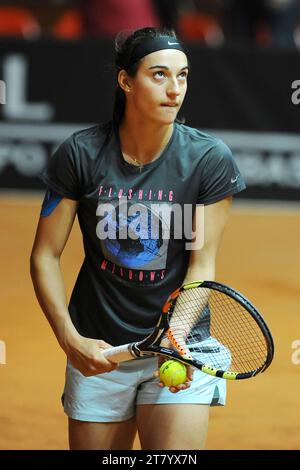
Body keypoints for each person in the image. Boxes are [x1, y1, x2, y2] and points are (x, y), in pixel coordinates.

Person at [30, 27, 246, 450]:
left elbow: (202, 265)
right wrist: (70, 339)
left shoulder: (208, 159)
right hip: (100, 350)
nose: (175, 89)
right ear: (126, 81)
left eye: (182, 76)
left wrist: (176, 336)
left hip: (177, 346)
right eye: (159, 75)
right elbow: (44, 256)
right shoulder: (80, 154)